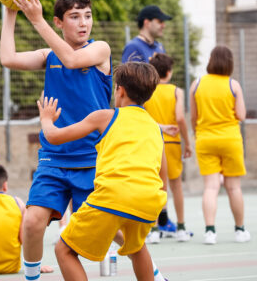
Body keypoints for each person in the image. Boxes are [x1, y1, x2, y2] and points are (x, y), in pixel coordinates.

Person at [38, 62, 167, 281]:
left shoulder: (106, 116)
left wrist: (46, 119)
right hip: (149, 199)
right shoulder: (155, 127)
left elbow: (54, 137)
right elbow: (161, 170)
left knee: (64, 250)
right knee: (137, 248)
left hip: (113, 195)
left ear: (120, 90)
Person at [189, 45, 251, 245]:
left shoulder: (196, 84)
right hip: (230, 139)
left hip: (205, 139)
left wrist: (197, 133)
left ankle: (210, 231)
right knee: (233, 188)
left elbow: (194, 117)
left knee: (211, 187)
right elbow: (241, 115)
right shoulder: (234, 85)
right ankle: (240, 230)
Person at [144, 53, 193, 243]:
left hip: (153, 140)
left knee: (155, 186)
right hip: (172, 142)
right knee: (176, 186)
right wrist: (187, 142)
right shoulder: (176, 92)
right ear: (169, 72)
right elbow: (180, 117)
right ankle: (181, 227)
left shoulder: (148, 90)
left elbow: (144, 116)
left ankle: (154, 229)